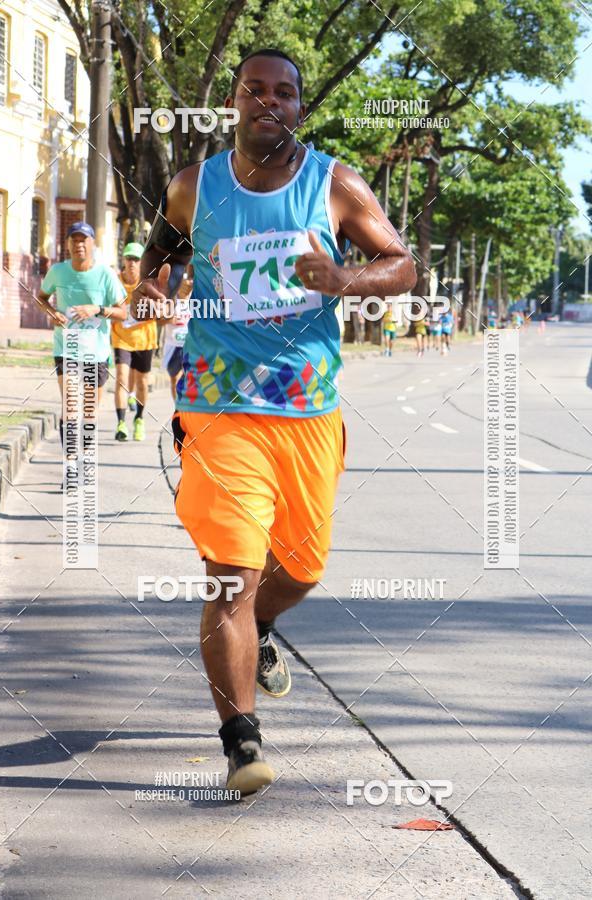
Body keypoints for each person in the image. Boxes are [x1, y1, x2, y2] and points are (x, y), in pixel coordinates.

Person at [132, 49, 416, 795]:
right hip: (216, 405)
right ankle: (241, 743)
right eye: (253, 90)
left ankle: (261, 628)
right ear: (234, 101)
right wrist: (150, 287)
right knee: (232, 572)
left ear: (298, 107)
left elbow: (403, 265)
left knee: (303, 569)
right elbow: (160, 251)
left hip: (305, 410)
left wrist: (344, 278)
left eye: (283, 93)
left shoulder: (336, 184)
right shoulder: (195, 185)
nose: (269, 103)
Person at [36, 222, 126, 463]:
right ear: (67, 244)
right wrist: (52, 313)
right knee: (71, 406)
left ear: (92, 244)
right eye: (74, 240)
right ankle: (71, 462)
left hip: (96, 353)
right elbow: (41, 298)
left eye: (83, 239)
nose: (79, 244)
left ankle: (85, 458)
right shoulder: (58, 271)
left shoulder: (105, 274)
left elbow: (123, 313)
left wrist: (96, 309)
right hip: (67, 348)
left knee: (88, 412)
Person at [111, 242, 158, 441]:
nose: (132, 263)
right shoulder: (115, 282)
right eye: (129, 258)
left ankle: (139, 418)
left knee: (142, 382)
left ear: (142, 262)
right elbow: (109, 309)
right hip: (121, 338)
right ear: (123, 260)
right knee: (121, 377)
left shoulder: (149, 282)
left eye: (136, 259)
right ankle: (121, 424)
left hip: (145, 339)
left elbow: (160, 308)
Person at [162, 270, 193, 400]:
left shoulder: (195, 299)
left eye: (187, 284)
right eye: (182, 284)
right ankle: (178, 408)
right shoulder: (171, 300)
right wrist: (169, 319)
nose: (185, 286)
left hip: (190, 346)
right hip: (173, 346)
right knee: (174, 379)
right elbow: (158, 319)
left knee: (189, 379)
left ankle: (188, 409)